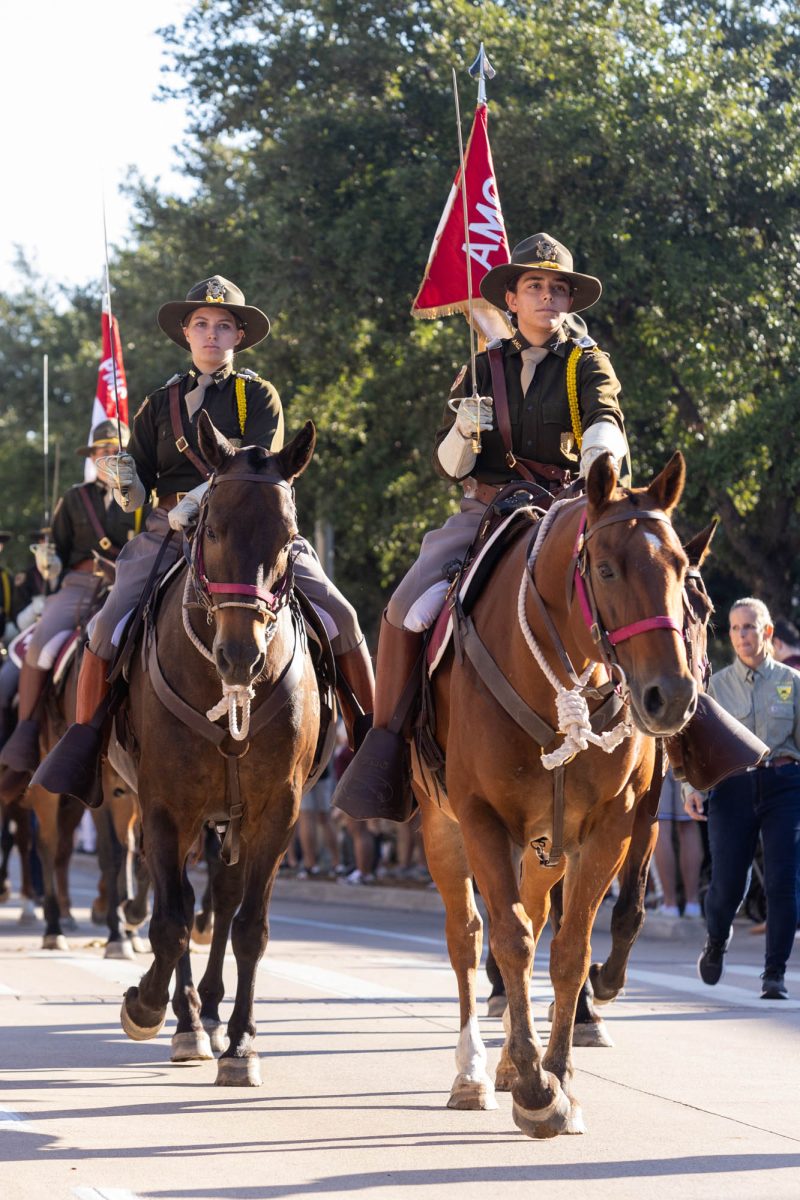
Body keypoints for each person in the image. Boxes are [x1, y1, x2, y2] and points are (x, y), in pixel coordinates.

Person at [36, 275, 374, 804]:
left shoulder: (257, 395)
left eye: (222, 326)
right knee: (105, 627)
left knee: (341, 615)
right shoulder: (158, 403)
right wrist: (127, 481)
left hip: (248, 534)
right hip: (165, 535)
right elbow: (139, 487)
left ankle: (369, 747)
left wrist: (196, 503)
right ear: (187, 335)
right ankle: (85, 743)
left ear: (237, 335)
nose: (211, 335)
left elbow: (258, 467)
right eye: (201, 325)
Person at [335, 232, 630, 821]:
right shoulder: (480, 367)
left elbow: (605, 421)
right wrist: (462, 432)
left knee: (647, 584)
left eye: (557, 288)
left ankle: (678, 728)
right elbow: (452, 468)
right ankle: (388, 748)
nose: (547, 296)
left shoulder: (586, 362)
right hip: (487, 510)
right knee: (404, 610)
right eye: (535, 286)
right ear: (512, 299)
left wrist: (601, 470)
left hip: (566, 506)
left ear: (569, 301)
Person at [0, 424, 146, 802]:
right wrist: (51, 565)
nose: (105, 458)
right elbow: (61, 551)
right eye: (99, 452)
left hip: (131, 581)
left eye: (113, 450)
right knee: (41, 643)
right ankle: (26, 734)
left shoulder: (144, 497)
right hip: (79, 586)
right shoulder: (74, 498)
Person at [686, 597, 800, 999]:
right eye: (734, 628)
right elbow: (698, 747)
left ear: (767, 632)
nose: (741, 635)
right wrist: (692, 789)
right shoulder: (715, 686)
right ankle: (716, 940)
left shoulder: (792, 682)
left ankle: (775, 975)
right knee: (727, 885)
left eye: (749, 627)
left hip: (784, 784)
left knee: (785, 883)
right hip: (732, 789)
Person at [651, 766, 703, 918]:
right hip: (687, 752)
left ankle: (669, 904)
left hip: (659, 751)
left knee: (662, 825)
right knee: (688, 823)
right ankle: (693, 904)